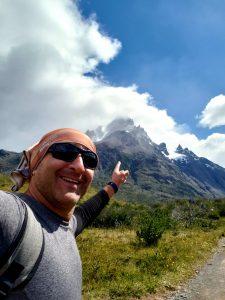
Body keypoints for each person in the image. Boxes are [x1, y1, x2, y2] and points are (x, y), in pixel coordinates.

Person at [0, 128, 129, 299]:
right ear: (35, 166)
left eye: (89, 160)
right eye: (65, 152)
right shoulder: (12, 214)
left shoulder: (67, 226)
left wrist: (114, 184)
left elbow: (87, 212)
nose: (80, 167)